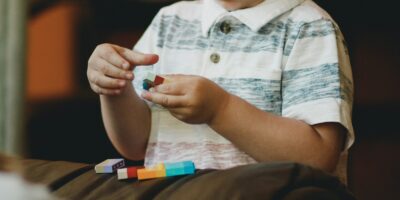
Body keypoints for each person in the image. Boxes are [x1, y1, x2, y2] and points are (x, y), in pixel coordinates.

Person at [87, 0, 354, 184]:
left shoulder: (309, 27)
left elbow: (318, 157)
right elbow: (135, 144)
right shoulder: (170, 21)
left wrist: (221, 109)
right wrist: (115, 87)